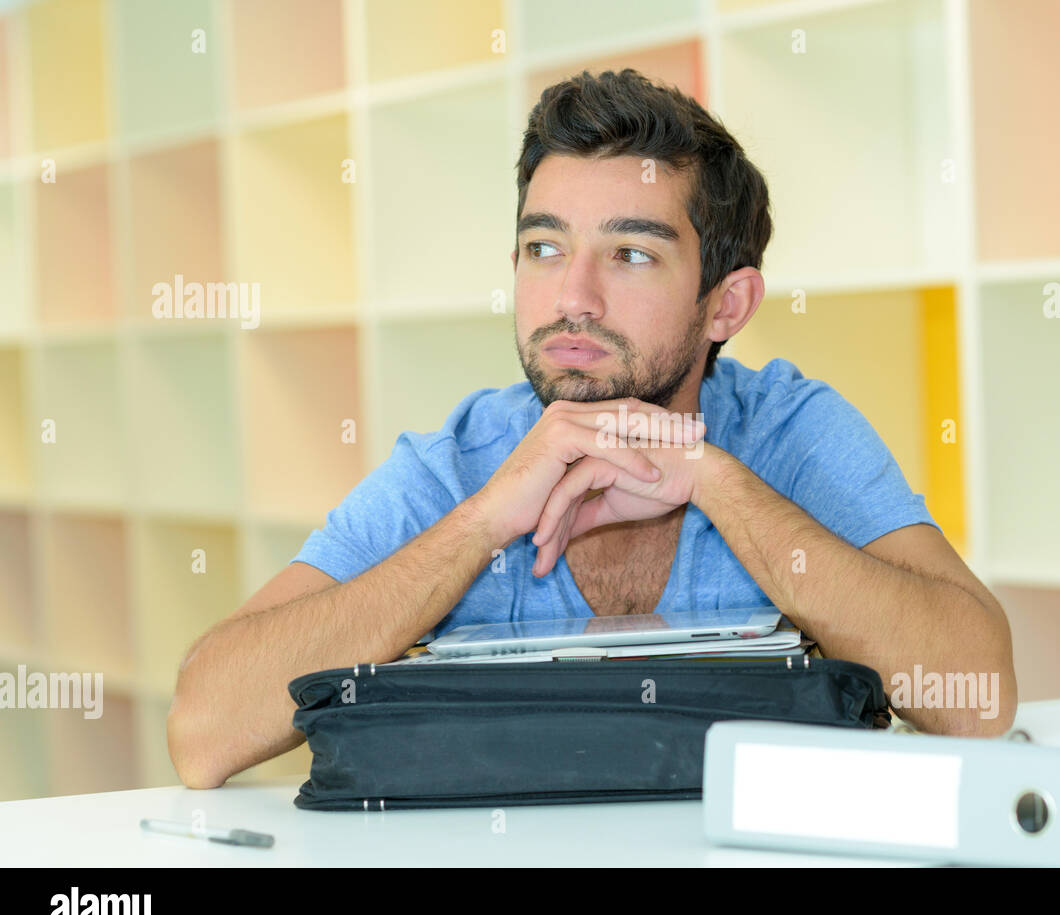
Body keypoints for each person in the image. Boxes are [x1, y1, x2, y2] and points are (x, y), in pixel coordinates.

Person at [168, 69, 1016, 789]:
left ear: (727, 303)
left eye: (631, 254)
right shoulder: (456, 464)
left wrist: (716, 479)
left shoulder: (788, 433)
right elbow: (203, 732)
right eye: (543, 248)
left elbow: (976, 696)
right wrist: (484, 521)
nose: (573, 296)